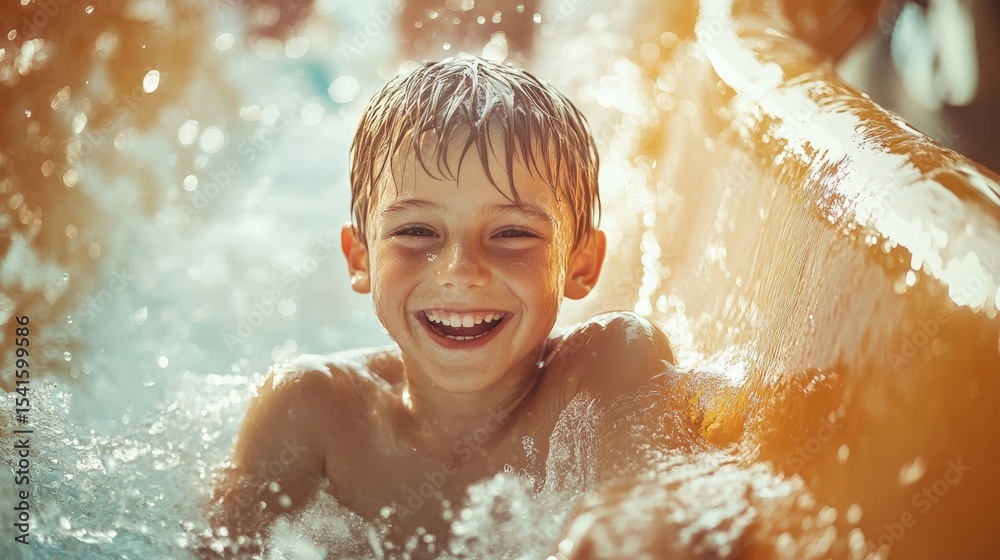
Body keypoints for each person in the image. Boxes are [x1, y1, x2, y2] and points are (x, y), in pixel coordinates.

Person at [205, 54, 688, 558]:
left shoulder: (608, 369)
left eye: (512, 233)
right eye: (417, 232)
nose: (459, 270)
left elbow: (642, 522)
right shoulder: (313, 413)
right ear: (361, 259)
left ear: (580, 263)